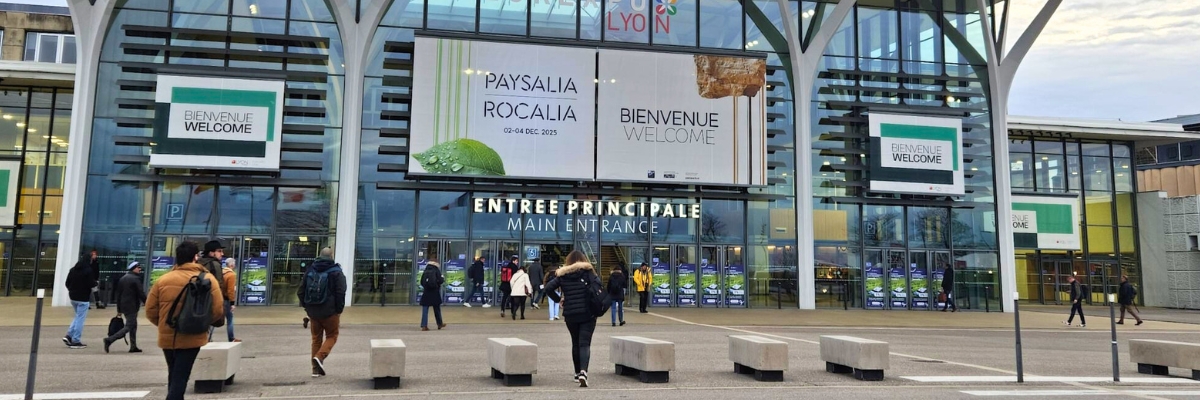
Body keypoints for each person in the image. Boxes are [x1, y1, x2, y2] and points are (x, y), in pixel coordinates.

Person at [145, 241, 225, 400]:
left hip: (168, 335)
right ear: (196, 257)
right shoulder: (207, 279)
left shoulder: (163, 280)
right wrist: (202, 324)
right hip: (193, 334)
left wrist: (165, 324)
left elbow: (150, 310)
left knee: (174, 373)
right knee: (181, 375)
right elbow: (217, 311)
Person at [544, 250, 602, 388]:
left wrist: (559, 300)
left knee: (575, 343)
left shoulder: (563, 275)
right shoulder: (589, 273)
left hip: (570, 314)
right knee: (585, 344)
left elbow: (548, 288)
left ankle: (577, 373)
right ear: (583, 260)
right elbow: (599, 286)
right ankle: (583, 372)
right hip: (588, 313)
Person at [299, 247, 346, 377]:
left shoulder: (310, 269)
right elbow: (341, 292)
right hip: (330, 312)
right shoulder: (336, 272)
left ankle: (315, 370)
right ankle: (319, 357)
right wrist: (339, 310)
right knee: (332, 336)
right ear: (331, 256)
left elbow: (301, 291)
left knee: (316, 339)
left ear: (319, 255)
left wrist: (307, 307)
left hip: (313, 311)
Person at [103, 261, 147, 353]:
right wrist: (147, 302)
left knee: (133, 325)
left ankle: (133, 346)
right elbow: (141, 293)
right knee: (129, 326)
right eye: (138, 267)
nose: (140, 269)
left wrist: (119, 309)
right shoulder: (135, 279)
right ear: (133, 268)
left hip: (124, 305)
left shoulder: (123, 278)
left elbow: (118, 295)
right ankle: (110, 340)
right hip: (132, 306)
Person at [64, 251, 98, 349]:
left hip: (73, 296)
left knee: (77, 316)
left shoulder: (73, 270)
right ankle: (75, 340)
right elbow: (91, 283)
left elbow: (67, 283)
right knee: (80, 319)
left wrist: (72, 289)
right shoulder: (88, 270)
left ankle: (69, 335)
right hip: (83, 297)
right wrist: (95, 284)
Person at [209, 258, 240, 342]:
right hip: (226, 300)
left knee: (215, 318)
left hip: (219, 297)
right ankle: (231, 338)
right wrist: (232, 303)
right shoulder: (231, 275)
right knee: (230, 319)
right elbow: (230, 290)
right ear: (232, 265)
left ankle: (208, 337)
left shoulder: (221, 272)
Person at [418, 259, 447, 331]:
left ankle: (424, 325)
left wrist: (426, 286)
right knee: (437, 308)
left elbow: (422, 281)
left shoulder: (426, 270)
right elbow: (440, 280)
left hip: (426, 291)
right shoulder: (436, 269)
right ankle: (439, 323)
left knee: (425, 309)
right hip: (434, 291)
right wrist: (442, 278)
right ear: (436, 263)